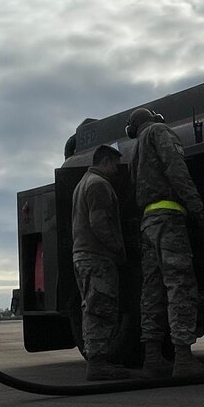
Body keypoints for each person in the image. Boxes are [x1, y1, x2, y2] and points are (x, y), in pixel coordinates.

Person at [127, 107, 204, 379]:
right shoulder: (159, 132)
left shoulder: (135, 148)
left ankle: (152, 357)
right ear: (155, 118)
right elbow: (176, 169)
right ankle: (183, 358)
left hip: (148, 223)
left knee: (152, 291)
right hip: (168, 219)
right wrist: (197, 208)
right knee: (180, 284)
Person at [72, 143, 132, 381]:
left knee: (91, 306)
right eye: (115, 165)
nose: (117, 170)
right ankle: (98, 363)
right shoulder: (99, 185)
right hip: (97, 256)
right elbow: (99, 222)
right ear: (106, 161)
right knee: (100, 308)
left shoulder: (82, 183)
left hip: (84, 255)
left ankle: (97, 360)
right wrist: (117, 248)